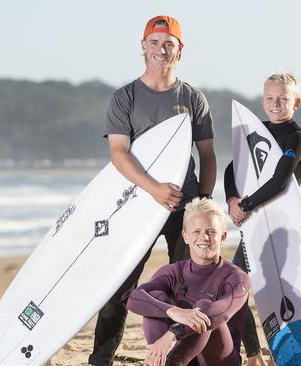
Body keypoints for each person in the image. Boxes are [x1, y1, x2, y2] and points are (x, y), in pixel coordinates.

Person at [89, 15, 217, 366]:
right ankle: (101, 359)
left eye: (169, 43)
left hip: (184, 207)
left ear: (180, 50)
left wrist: (201, 203)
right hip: (137, 206)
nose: (162, 49)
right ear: (143, 46)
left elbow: (206, 155)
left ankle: (185, 357)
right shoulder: (125, 97)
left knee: (190, 288)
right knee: (120, 286)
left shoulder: (192, 98)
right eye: (155, 42)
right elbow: (119, 154)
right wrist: (154, 189)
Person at [224, 71, 301, 366]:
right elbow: (230, 170)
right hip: (256, 227)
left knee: (281, 294)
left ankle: (289, 350)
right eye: (271, 98)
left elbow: (279, 181)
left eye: (283, 99)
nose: (276, 104)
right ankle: (254, 355)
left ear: (295, 102)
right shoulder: (256, 131)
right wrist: (232, 200)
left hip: (283, 228)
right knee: (235, 287)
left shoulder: (296, 137)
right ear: (263, 101)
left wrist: (245, 204)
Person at [127, 197, 250, 366]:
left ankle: (170, 363)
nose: (204, 237)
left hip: (219, 361)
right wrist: (173, 311)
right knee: (155, 297)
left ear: (223, 236)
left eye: (211, 232)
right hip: (184, 355)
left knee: (203, 308)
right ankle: (161, 361)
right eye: (196, 231)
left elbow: (217, 314)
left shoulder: (236, 277)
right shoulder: (172, 272)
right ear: (185, 236)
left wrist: (173, 333)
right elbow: (135, 298)